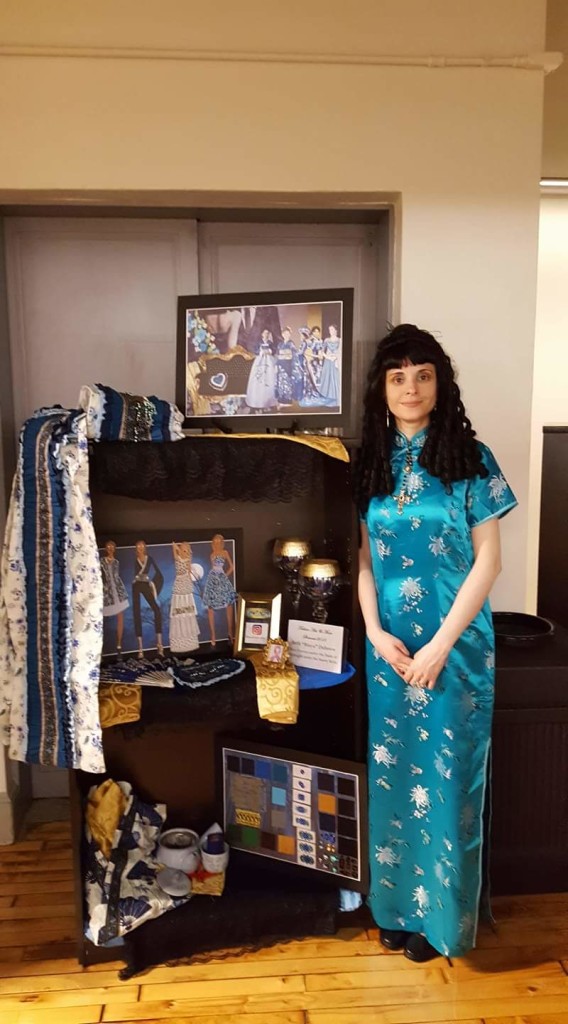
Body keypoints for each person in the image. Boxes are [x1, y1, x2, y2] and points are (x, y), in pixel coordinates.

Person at [355, 323, 517, 963]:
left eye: (423, 375)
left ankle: (441, 922)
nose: (411, 388)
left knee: (447, 785)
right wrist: (374, 633)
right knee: (394, 777)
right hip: (391, 651)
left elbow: (488, 562)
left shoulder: (471, 457)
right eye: (398, 377)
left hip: (454, 650)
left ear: (440, 384)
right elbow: (363, 559)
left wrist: (442, 644)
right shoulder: (370, 461)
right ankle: (396, 908)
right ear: (382, 388)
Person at [201, 534, 237, 646]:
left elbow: (232, 567)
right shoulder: (212, 554)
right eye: (215, 542)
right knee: (210, 606)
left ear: (222, 543)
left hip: (221, 577)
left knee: (229, 604)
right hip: (213, 578)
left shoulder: (225, 552)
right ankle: (213, 635)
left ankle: (230, 633)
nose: (216, 544)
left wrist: (225, 575)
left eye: (218, 542)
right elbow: (214, 567)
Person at [132, 540, 164, 658]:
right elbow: (136, 574)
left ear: (145, 547)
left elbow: (158, 573)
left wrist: (152, 583)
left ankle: (159, 644)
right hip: (136, 586)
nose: (140, 548)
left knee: (157, 610)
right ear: (136, 548)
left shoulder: (149, 559)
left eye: (142, 546)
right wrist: (137, 578)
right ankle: (140, 648)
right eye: (138, 546)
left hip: (145, 585)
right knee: (136, 613)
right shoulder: (135, 560)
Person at [169, 541, 203, 654]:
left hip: (186, 587)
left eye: (186, 550)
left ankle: (189, 641)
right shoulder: (177, 558)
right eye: (183, 550)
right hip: (179, 586)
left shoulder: (188, 560)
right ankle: (179, 642)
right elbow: (174, 547)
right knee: (178, 612)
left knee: (188, 612)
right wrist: (177, 547)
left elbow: (189, 572)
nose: (185, 552)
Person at [100, 540, 129, 658]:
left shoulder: (116, 562)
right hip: (106, 591)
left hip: (118, 591)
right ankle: (101, 648)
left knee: (120, 617)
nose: (110, 549)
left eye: (112, 547)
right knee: (102, 619)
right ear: (106, 549)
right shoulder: (101, 561)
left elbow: (116, 577)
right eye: (108, 547)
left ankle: (119, 646)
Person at [245, 329, 278, 411]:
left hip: (269, 360)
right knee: (258, 378)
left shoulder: (270, 343)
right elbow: (256, 350)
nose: (266, 334)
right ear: (262, 334)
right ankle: (258, 402)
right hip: (260, 361)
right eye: (264, 333)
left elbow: (274, 350)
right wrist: (261, 352)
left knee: (270, 378)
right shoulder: (259, 342)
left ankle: (269, 403)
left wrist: (269, 351)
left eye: (267, 333)